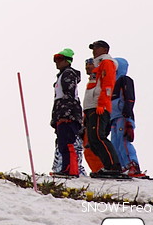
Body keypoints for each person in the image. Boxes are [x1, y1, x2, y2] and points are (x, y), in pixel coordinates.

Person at [83, 40, 122, 176]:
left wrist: (102, 103)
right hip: (91, 106)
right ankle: (106, 166)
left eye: (97, 47)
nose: (94, 50)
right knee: (93, 140)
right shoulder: (97, 64)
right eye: (93, 47)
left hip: (98, 106)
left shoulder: (107, 63)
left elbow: (108, 84)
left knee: (99, 137)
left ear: (105, 49)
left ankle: (113, 167)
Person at [49, 48, 83, 177]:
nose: (56, 62)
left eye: (60, 59)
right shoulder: (62, 75)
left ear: (67, 61)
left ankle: (70, 169)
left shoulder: (68, 74)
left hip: (67, 115)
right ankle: (66, 168)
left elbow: (69, 95)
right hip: (62, 114)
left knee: (68, 142)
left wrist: (65, 115)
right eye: (55, 59)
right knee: (63, 142)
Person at [110, 57, 144, 176]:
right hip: (113, 117)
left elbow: (129, 97)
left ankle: (132, 165)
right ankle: (122, 166)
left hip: (123, 116)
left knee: (124, 141)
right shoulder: (111, 83)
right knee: (115, 143)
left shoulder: (124, 79)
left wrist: (127, 114)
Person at [81, 58, 104, 174]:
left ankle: (101, 167)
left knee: (94, 142)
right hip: (88, 113)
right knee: (88, 145)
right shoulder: (91, 80)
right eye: (86, 65)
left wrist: (100, 106)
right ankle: (97, 169)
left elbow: (101, 92)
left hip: (95, 111)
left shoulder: (98, 78)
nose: (87, 67)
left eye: (90, 65)